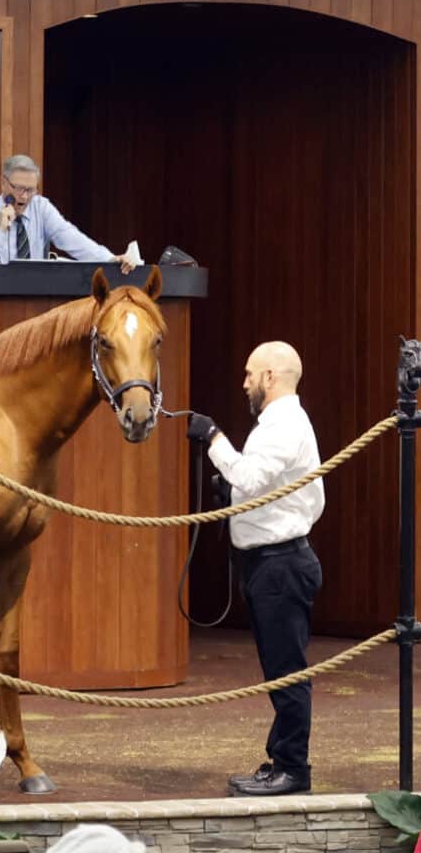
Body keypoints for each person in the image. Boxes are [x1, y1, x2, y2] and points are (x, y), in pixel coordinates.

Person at [187, 341, 324, 797]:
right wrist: (234, 500)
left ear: (270, 377)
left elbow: (249, 476)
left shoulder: (284, 425)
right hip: (273, 563)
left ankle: (292, 769)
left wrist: (212, 438)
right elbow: (266, 487)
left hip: (281, 565)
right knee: (279, 669)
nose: (244, 383)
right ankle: (281, 759)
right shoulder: (279, 424)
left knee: (286, 671)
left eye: (250, 374)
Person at [0, 153, 137, 268]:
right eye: (19, 189)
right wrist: (1, 231)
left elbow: (71, 239)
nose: (24, 197)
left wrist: (109, 259)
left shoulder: (41, 207)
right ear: (3, 182)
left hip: (35, 293)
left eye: (31, 190)